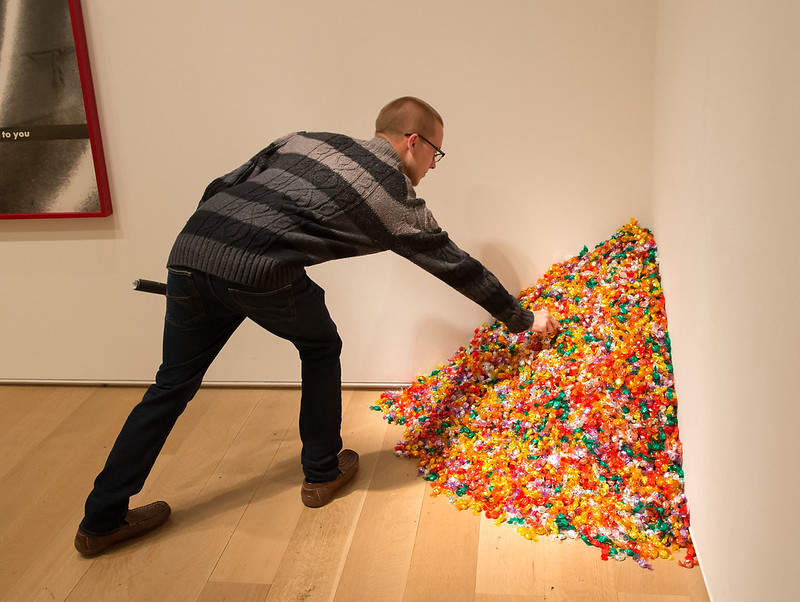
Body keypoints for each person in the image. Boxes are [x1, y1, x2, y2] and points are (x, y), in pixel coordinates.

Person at [74, 96, 560, 556]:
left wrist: (204, 261)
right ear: (414, 141)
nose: (433, 166)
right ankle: (322, 472)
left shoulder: (305, 139)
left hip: (189, 251)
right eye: (437, 153)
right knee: (322, 347)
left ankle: (100, 522)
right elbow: (458, 267)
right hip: (257, 271)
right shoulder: (394, 197)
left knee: (169, 387)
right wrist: (525, 320)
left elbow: (220, 187)